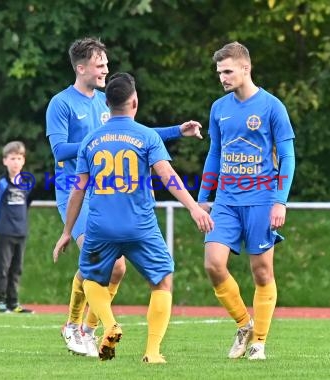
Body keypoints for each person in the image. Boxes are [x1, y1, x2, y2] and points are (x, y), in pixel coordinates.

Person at [45, 37, 203, 357]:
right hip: (76, 193)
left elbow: (132, 132)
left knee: (117, 270)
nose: (105, 67)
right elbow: (60, 151)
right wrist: (98, 143)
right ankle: (73, 324)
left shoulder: (106, 102)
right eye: (99, 63)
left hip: (107, 192)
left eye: (106, 62)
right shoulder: (61, 103)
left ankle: (89, 328)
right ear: (81, 67)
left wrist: (176, 131)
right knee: (98, 260)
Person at [197, 42, 296, 361]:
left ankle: (259, 342)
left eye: (227, 71)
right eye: (219, 72)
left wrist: (280, 201)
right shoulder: (219, 108)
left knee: (262, 272)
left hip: (261, 200)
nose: (223, 77)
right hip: (225, 201)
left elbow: (288, 157)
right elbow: (214, 153)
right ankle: (244, 324)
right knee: (213, 263)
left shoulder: (272, 107)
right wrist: (202, 198)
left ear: (245, 69)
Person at [0, 141, 34, 314]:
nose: (16, 162)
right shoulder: (0, 183)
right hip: (4, 232)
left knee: (17, 269)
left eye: (19, 158)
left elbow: (27, 202)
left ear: (23, 160)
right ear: (5, 161)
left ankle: (13, 303)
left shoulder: (27, 181)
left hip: (21, 232)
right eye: (12, 158)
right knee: (2, 268)